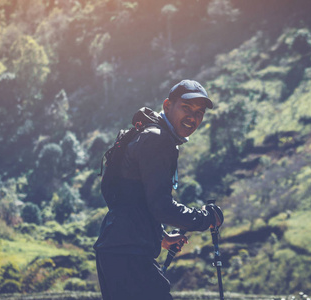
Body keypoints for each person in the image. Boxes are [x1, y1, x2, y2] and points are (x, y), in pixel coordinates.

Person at [94, 79, 224, 300]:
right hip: (129, 254)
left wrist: (160, 236)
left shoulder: (148, 134)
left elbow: (130, 198)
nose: (193, 118)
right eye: (186, 108)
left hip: (115, 248)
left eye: (199, 113)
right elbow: (161, 207)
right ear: (167, 106)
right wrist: (205, 218)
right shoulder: (158, 140)